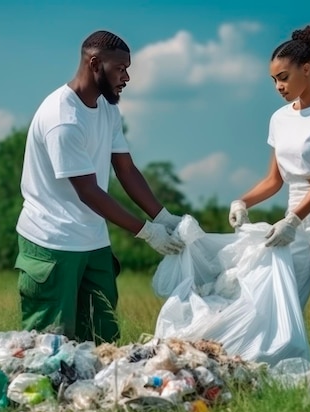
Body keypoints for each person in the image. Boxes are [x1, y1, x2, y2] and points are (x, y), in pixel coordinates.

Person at [14, 30, 186, 344]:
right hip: (52, 243)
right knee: (48, 343)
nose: (128, 77)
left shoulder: (107, 109)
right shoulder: (63, 118)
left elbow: (126, 169)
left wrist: (163, 217)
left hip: (92, 241)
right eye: (121, 68)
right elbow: (89, 191)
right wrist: (146, 232)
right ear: (95, 63)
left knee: (101, 337)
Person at [228, 24, 310, 358]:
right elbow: (274, 179)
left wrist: (293, 221)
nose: (278, 86)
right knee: (282, 302)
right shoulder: (279, 118)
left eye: (283, 77)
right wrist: (243, 200)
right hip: (293, 219)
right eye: (273, 80)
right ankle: (280, 371)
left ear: (307, 68)